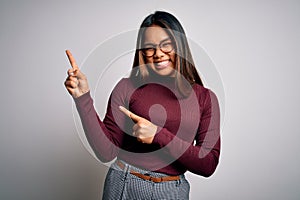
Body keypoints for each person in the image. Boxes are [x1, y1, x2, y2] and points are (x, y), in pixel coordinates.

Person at [64, 11, 220, 200]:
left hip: (171, 191)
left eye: (166, 45)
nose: (158, 54)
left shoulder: (205, 99)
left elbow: (208, 164)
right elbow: (106, 152)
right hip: (124, 184)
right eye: (149, 47)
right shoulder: (127, 87)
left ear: (180, 46)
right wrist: (83, 98)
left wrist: (159, 135)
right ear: (142, 52)